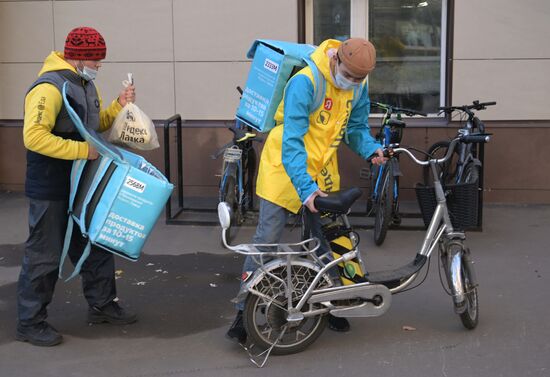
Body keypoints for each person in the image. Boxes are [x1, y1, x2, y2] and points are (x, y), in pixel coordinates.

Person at [226, 38, 386, 343]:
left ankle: (333, 305)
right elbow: (292, 142)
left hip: (322, 170)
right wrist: (306, 189)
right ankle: (242, 311)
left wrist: (371, 150)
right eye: (349, 76)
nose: (351, 83)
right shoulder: (306, 82)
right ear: (336, 59)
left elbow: (354, 130)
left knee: (327, 240)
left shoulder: (358, 87)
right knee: (266, 242)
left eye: (359, 79)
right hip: (284, 170)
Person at [17, 26, 137, 347]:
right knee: (45, 254)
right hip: (51, 185)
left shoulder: (82, 84)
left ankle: (102, 305)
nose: (99, 66)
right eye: (96, 60)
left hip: (81, 181)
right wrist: (82, 151)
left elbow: (93, 127)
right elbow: (34, 136)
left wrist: (118, 105)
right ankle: (30, 322)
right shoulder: (48, 88)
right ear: (79, 57)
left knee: (94, 245)